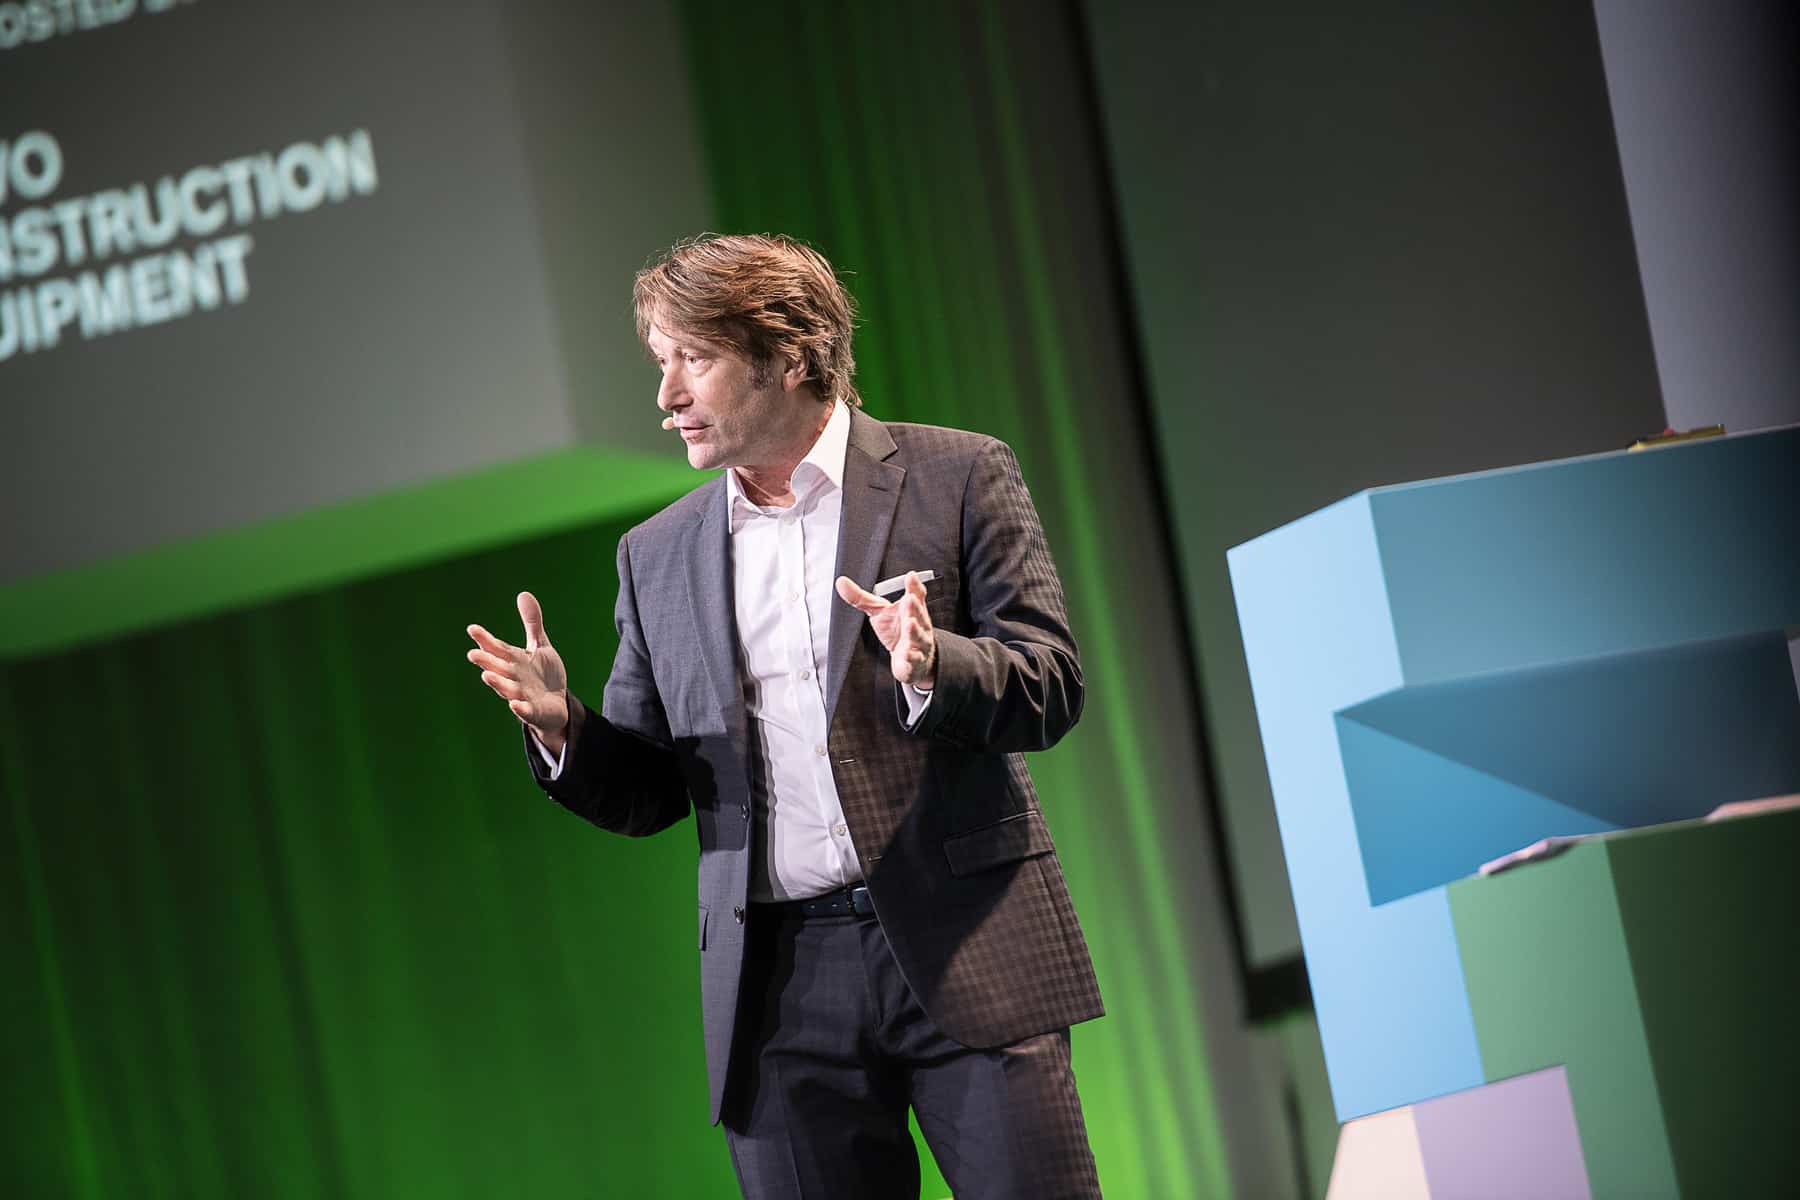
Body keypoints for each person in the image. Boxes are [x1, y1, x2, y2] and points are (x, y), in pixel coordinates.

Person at [465, 234, 1103, 1197]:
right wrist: (564, 730)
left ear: (790, 354)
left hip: (965, 941)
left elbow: (1050, 682)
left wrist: (935, 666)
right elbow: (651, 791)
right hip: (779, 990)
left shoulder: (958, 473)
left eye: (695, 358)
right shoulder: (658, 554)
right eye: (661, 361)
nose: (667, 394)